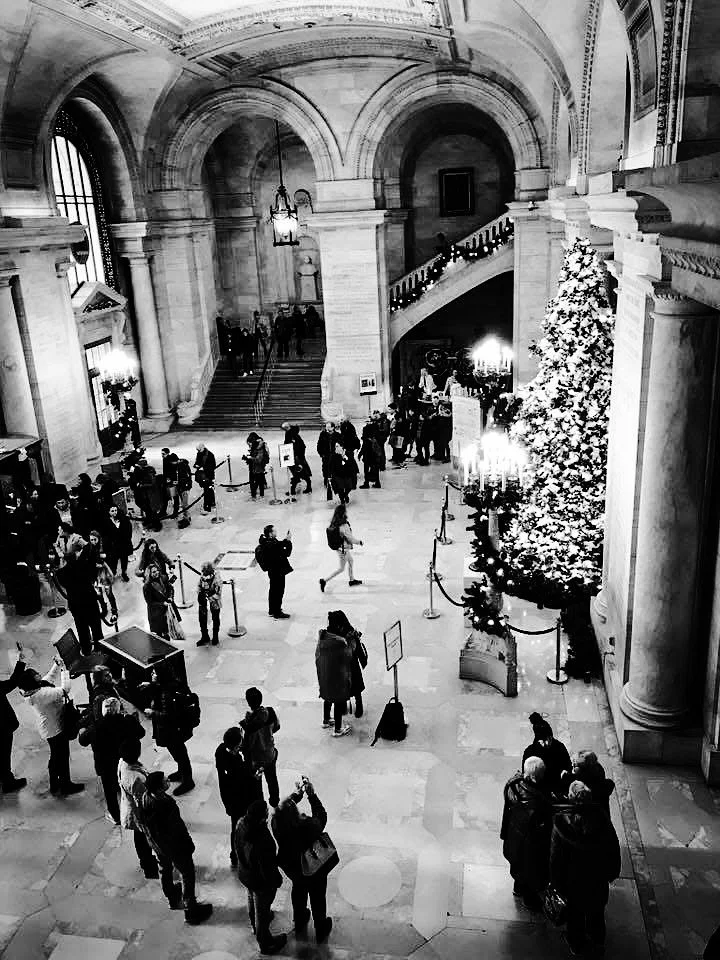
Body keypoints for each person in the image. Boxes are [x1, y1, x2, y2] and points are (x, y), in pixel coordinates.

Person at [549, 780, 621, 954]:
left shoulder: (562, 823)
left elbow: (556, 858)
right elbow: (613, 848)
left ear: (571, 798)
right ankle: (597, 941)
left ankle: (576, 943)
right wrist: (612, 872)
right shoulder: (602, 820)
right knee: (596, 912)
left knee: (575, 915)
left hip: (572, 880)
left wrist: (556, 881)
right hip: (597, 878)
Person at [139, 771, 213, 925]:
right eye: (165, 780)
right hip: (174, 847)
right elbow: (177, 829)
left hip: (157, 845)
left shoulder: (145, 798)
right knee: (187, 875)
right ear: (159, 789)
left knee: (164, 869)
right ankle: (191, 910)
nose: (168, 781)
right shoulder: (165, 806)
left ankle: (171, 896)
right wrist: (187, 844)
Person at [271, 777, 333, 943]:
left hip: (292, 867)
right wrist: (311, 795)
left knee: (298, 890)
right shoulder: (307, 826)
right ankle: (320, 927)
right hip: (312, 867)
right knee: (318, 895)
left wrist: (295, 796)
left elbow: (281, 810)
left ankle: (299, 919)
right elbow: (322, 816)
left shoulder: (276, 823)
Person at [18, 656, 84, 795]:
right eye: (35, 674)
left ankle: (55, 783)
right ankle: (65, 785)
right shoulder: (41, 694)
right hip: (55, 730)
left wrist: (56, 665)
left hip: (49, 729)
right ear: (33, 680)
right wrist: (65, 670)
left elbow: (48, 679)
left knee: (56, 756)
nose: (38, 673)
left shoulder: (34, 690)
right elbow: (65, 689)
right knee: (62, 756)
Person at [80, 696, 144, 824]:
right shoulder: (127, 721)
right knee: (128, 784)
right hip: (124, 761)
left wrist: (82, 731)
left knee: (109, 792)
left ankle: (115, 816)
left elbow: (83, 741)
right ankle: (136, 810)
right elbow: (141, 733)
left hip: (105, 765)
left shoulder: (96, 726)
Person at [500, 756, 553, 911]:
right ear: (537, 776)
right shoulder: (537, 801)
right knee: (530, 870)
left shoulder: (513, 784)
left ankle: (518, 888)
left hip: (513, 835)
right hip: (530, 842)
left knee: (518, 864)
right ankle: (529, 900)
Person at [234, 799, 287, 954]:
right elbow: (267, 868)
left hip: (246, 874)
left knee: (251, 898)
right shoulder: (262, 839)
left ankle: (254, 924)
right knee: (262, 911)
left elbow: (237, 847)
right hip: (260, 882)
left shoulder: (241, 824)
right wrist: (276, 880)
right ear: (262, 818)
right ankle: (265, 942)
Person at [140, 661, 196, 795]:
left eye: (154, 673)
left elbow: (168, 716)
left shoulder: (167, 693)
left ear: (161, 675)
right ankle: (182, 771)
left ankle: (188, 780)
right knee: (177, 751)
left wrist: (152, 713)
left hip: (172, 730)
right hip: (174, 729)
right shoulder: (168, 684)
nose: (152, 674)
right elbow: (160, 689)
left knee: (180, 753)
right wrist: (151, 685)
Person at [215, 726, 264, 866]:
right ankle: (242, 854)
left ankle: (234, 854)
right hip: (241, 801)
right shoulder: (236, 765)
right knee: (242, 827)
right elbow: (246, 782)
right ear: (236, 746)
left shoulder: (220, 751)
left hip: (229, 799)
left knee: (234, 827)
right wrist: (256, 777)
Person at [118, 737, 160, 880]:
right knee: (143, 839)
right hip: (138, 812)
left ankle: (146, 862)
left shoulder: (123, 762)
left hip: (130, 805)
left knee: (140, 838)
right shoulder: (135, 778)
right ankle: (148, 867)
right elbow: (142, 800)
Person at [56, 534, 103, 655]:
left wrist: (62, 558)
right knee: (96, 629)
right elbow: (89, 550)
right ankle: (100, 650)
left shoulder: (62, 574)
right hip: (90, 602)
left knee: (82, 632)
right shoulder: (83, 565)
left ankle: (87, 651)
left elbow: (60, 574)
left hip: (77, 606)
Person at [315, 611, 354, 737]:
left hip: (324, 675)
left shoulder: (323, 637)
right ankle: (338, 729)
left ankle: (326, 720)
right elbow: (348, 656)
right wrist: (352, 642)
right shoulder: (339, 643)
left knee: (327, 698)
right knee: (338, 700)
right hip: (337, 678)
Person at [241, 687, 280, 808]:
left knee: (257, 784)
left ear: (248, 702)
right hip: (270, 753)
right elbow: (277, 727)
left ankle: (261, 806)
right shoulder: (270, 712)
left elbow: (247, 745)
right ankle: (274, 801)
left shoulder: (248, 724)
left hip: (256, 760)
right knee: (272, 779)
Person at [522, 712, 572, 796]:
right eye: (543, 740)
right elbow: (527, 774)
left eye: (549, 738)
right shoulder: (530, 751)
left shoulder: (560, 747)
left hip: (559, 788)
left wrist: (566, 772)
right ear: (537, 740)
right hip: (539, 790)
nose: (547, 742)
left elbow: (568, 765)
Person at [0, 640, 27, 792]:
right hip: (2, 727)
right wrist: (21, 660)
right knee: (4, 754)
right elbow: (12, 682)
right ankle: (8, 782)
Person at [330, 609, 367, 719]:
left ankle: (359, 705)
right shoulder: (333, 631)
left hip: (351, 665)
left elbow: (355, 649)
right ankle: (343, 705)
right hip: (341, 666)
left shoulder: (350, 632)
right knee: (343, 686)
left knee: (355, 687)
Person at [319, 503, 363, 592]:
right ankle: (324, 581)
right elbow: (350, 538)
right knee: (341, 568)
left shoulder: (334, 523)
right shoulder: (344, 525)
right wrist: (359, 542)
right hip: (343, 549)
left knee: (351, 561)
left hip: (339, 548)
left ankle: (352, 580)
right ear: (343, 513)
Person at [559, 750, 615, 814]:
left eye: (574, 764)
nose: (572, 765)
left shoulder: (579, 781)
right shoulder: (597, 768)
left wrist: (565, 776)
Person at [256, 524, 293, 619]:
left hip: (273, 571)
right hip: (277, 571)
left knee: (273, 591)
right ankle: (277, 612)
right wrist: (288, 541)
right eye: (274, 531)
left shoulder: (267, 542)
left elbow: (280, 545)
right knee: (278, 591)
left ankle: (272, 609)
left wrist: (285, 541)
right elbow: (286, 553)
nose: (276, 532)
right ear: (270, 533)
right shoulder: (271, 544)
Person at [103, 503, 132, 581]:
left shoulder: (123, 519)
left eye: (116, 510)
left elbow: (129, 530)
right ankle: (113, 573)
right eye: (112, 511)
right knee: (113, 561)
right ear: (109, 512)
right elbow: (106, 536)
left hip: (123, 545)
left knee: (124, 560)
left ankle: (124, 573)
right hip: (114, 546)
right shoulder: (106, 522)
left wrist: (127, 540)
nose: (115, 512)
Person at [143, 564, 172, 640]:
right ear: (149, 574)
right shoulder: (147, 587)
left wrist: (170, 597)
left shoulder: (163, 578)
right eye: (153, 572)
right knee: (158, 637)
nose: (156, 573)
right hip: (156, 614)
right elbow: (150, 603)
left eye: (157, 571)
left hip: (166, 611)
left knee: (167, 632)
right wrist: (162, 604)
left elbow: (170, 588)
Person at [196, 560, 222, 646]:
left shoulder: (217, 579)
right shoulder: (202, 577)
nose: (204, 576)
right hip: (203, 601)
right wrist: (200, 594)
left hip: (214, 601)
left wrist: (210, 598)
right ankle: (204, 636)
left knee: (215, 618)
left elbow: (218, 593)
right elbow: (199, 586)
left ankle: (215, 637)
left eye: (206, 573)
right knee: (202, 619)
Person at [283, 423, 312, 495]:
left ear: (287, 428)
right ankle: (307, 488)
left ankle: (293, 490)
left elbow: (300, 447)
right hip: (294, 457)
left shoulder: (293, 435)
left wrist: (297, 456)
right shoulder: (290, 433)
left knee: (298, 474)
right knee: (300, 474)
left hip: (297, 459)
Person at [243, 432, 270, 500]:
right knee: (260, 480)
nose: (249, 446)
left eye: (250, 444)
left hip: (257, 466)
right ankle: (261, 494)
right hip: (258, 466)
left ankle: (254, 495)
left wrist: (249, 458)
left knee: (256, 481)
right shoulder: (257, 446)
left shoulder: (259, 447)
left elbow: (258, 459)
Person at [359, 421, 384, 488]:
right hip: (375, 456)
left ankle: (366, 483)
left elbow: (364, 447)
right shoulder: (376, 438)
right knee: (376, 469)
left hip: (368, 456)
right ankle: (377, 483)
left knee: (366, 469)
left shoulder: (367, 439)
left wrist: (360, 454)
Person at [193, 442, 216, 514]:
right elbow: (197, 462)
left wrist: (204, 468)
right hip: (203, 475)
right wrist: (196, 465)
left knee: (207, 491)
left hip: (208, 475)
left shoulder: (210, 455)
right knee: (209, 490)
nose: (198, 451)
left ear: (202, 448)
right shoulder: (199, 453)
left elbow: (213, 466)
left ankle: (207, 507)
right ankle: (212, 503)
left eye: (199, 450)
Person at [316, 422, 338, 500]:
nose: (327, 428)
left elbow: (341, 444)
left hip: (334, 456)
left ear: (333, 427)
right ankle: (326, 480)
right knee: (325, 469)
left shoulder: (337, 435)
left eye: (329, 427)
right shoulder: (323, 434)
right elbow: (319, 445)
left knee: (335, 469)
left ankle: (335, 481)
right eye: (326, 427)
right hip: (326, 456)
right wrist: (321, 453)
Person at [339, 416, 360, 490]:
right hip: (347, 447)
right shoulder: (346, 426)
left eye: (342, 419)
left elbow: (350, 437)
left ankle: (352, 482)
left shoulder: (348, 427)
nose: (340, 420)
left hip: (348, 448)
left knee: (350, 462)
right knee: (350, 461)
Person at [175, 458, 193, 528]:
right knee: (184, 503)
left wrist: (179, 482)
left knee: (184, 504)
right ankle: (186, 516)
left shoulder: (182, 467)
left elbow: (185, 478)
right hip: (182, 487)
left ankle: (186, 518)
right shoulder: (183, 466)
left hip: (184, 488)